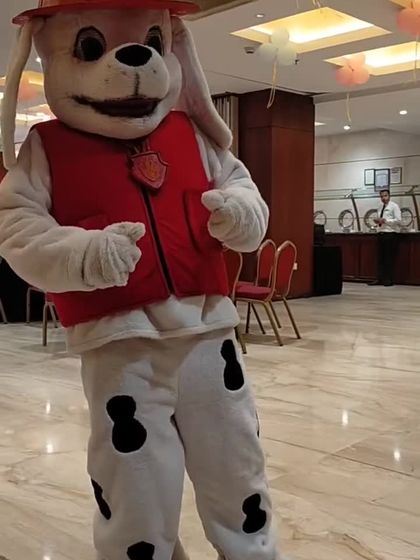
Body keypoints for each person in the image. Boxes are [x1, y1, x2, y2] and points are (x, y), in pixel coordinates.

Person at [0, 1, 283, 560]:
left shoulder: (195, 136)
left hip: (209, 336)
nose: (134, 62)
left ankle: (254, 552)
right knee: (136, 478)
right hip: (119, 345)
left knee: (235, 462)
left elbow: (245, 190)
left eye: (152, 43)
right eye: (90, 48)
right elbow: (16, 226)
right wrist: (82, 254)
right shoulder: (45, 148)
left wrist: (241, 214)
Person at [371, 189, 401, 286]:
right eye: (382, 196)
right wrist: (377, 221)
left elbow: (398, 220)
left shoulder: (394, 206)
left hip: (390, 234)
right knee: (380, 258)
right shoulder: (380, 207)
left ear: (389, 196)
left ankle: (388, 280)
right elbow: (380, 219)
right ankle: (379, 279)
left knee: (389, 258)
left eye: (385, 196)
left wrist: (385, 220)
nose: (383, 198)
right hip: (381, 233)